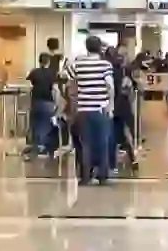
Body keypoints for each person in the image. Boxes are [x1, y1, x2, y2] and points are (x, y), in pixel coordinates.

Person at [64, 35, 114, 185]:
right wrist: (110, 106)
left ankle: (85, 176)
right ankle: (103, 176)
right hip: (100, 109)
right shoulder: (105, 65)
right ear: (100, 48)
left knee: (86, 144)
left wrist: (75, 98)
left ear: (86, 47)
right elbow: (110, 86)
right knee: (102, 142)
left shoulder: (78, 64)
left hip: (83, 109)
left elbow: (66, 79)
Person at [26, 52, 58, 158]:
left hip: (35, 101)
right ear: (48, 62)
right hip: (48, 102)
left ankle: (36, 147)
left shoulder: (34, 72)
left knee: (35, 124)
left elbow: (30, 84)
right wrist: (56, 104)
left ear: (39, 61)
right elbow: (54, 89)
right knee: (46, 125)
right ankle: (44, 148)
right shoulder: (52, 73)